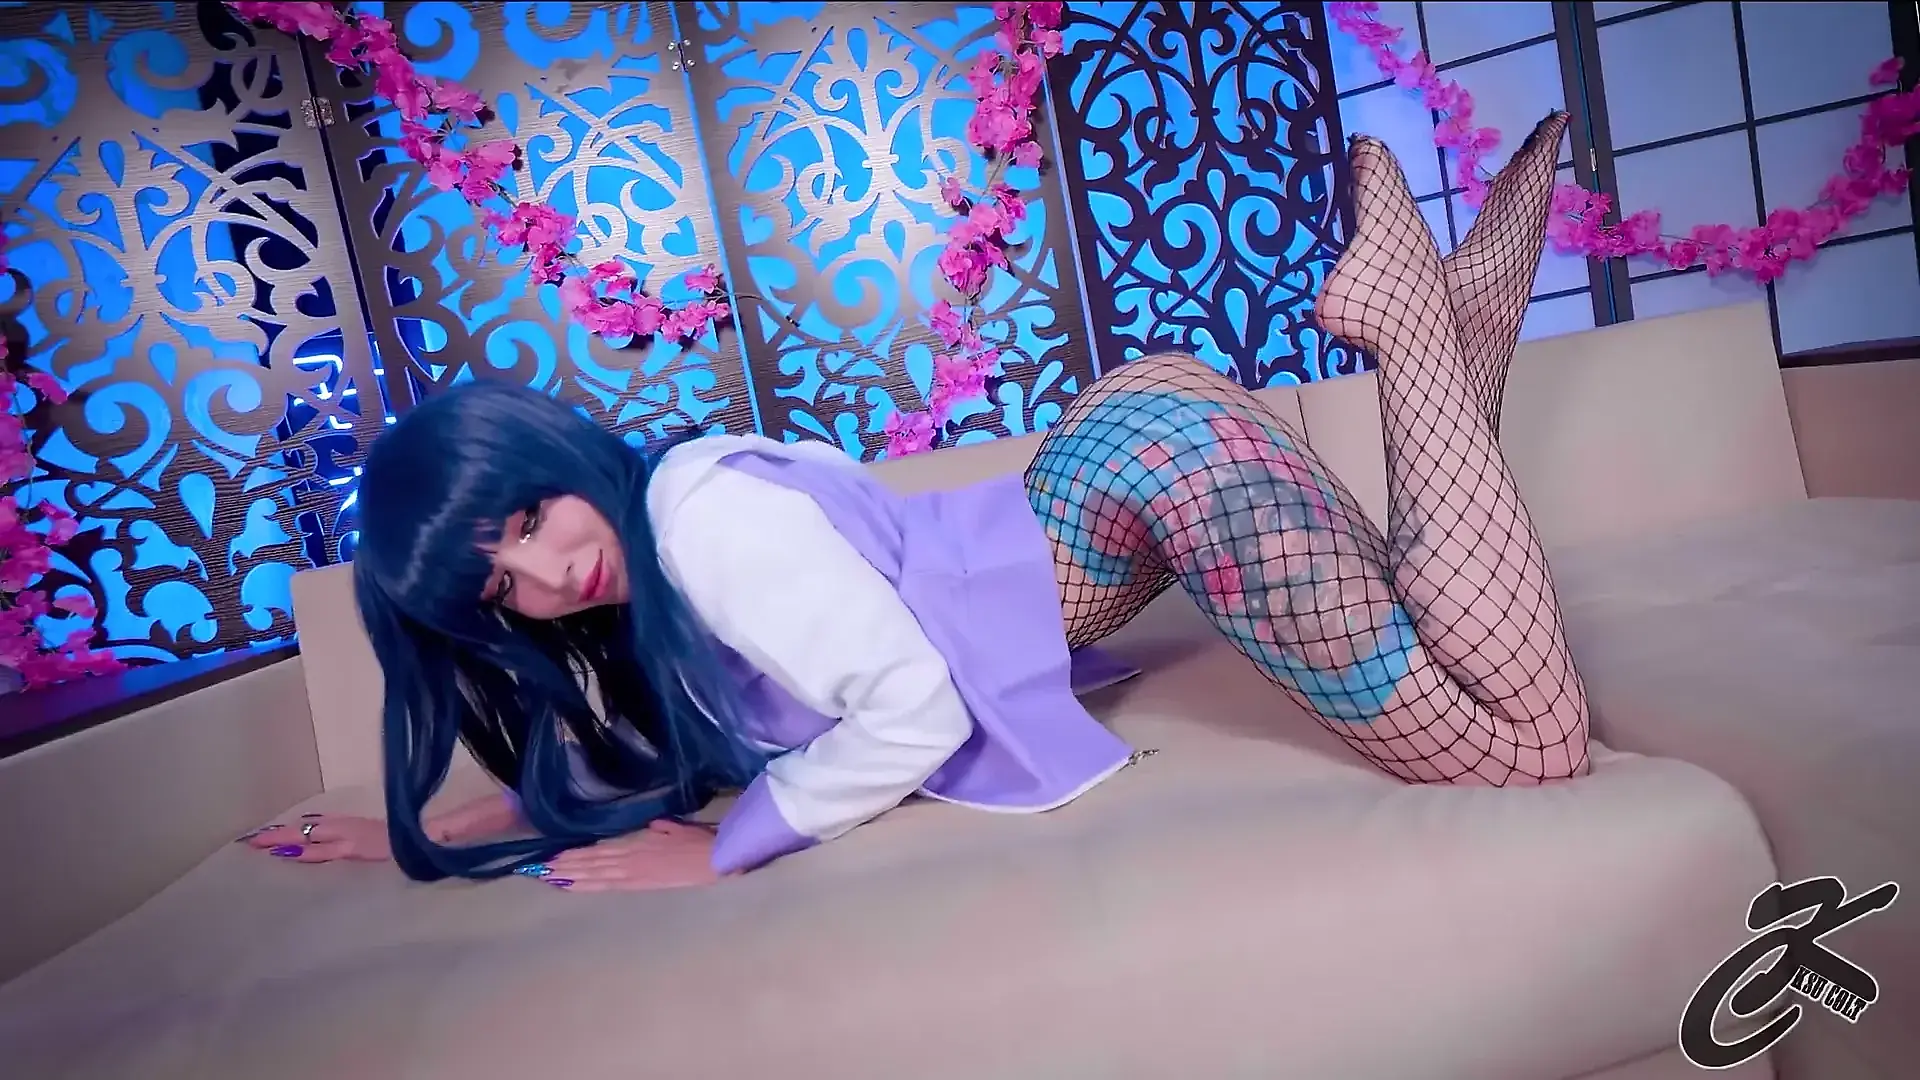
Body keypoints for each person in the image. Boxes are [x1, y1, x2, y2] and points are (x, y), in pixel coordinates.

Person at [247, 113, 1592, 892]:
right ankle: (1450, 348)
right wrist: (447, 827)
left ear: (556, 458)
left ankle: (1409, 335)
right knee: (1467, 655)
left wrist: (723, 854)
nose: (549, 579)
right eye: (502, 586)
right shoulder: (659, 561)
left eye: (533, 523)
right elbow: (677, 747)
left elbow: (917, 711)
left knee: (1526, 753)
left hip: (1156, 471)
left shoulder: (698, 525)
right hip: (1141, 460)